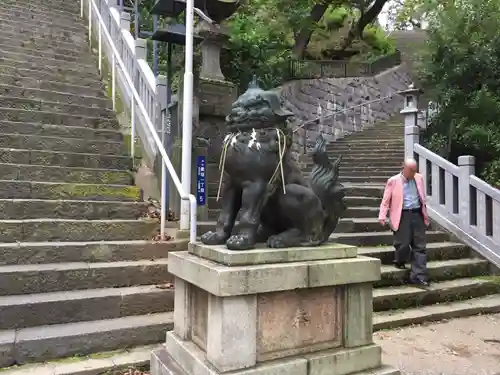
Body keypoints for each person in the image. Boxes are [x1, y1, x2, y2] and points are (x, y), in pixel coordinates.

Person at [378, 158, 430, 287]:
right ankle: (399, 259)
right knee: (403, 244)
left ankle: (419, 276)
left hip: (417, 213)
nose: (413, 173)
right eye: (411, 170)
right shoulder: (393, 181)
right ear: (404, 168)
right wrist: (382, 216)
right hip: (402, 214)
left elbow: (422, 197)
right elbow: (386, 200)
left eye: (414, 170)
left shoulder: (419, 178)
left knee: (420, 246)